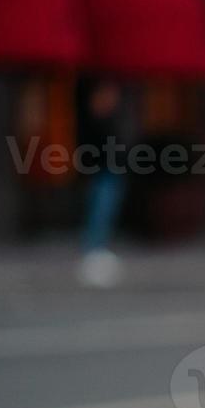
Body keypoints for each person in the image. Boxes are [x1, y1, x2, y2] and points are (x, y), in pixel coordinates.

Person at [77, 81, 129, 289]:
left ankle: (98, 251)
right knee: (98, 213)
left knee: (105, 213)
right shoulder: (93, 121)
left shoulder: (108, 119)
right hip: (101, 173)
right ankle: (92, 253)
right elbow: (90, 152)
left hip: (110, 172)